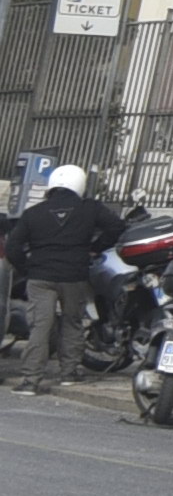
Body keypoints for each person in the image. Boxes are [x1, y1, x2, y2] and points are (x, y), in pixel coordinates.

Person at [9, 161, 121, 390]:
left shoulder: (33, 213)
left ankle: (31, 380)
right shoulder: (90, 208)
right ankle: (69, 372)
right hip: (74, 275)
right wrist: (96, 248)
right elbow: (117, 227)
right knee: (72, 322)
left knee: (40, 327)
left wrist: (28, 268)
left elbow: (12, 247)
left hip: (40, 277)